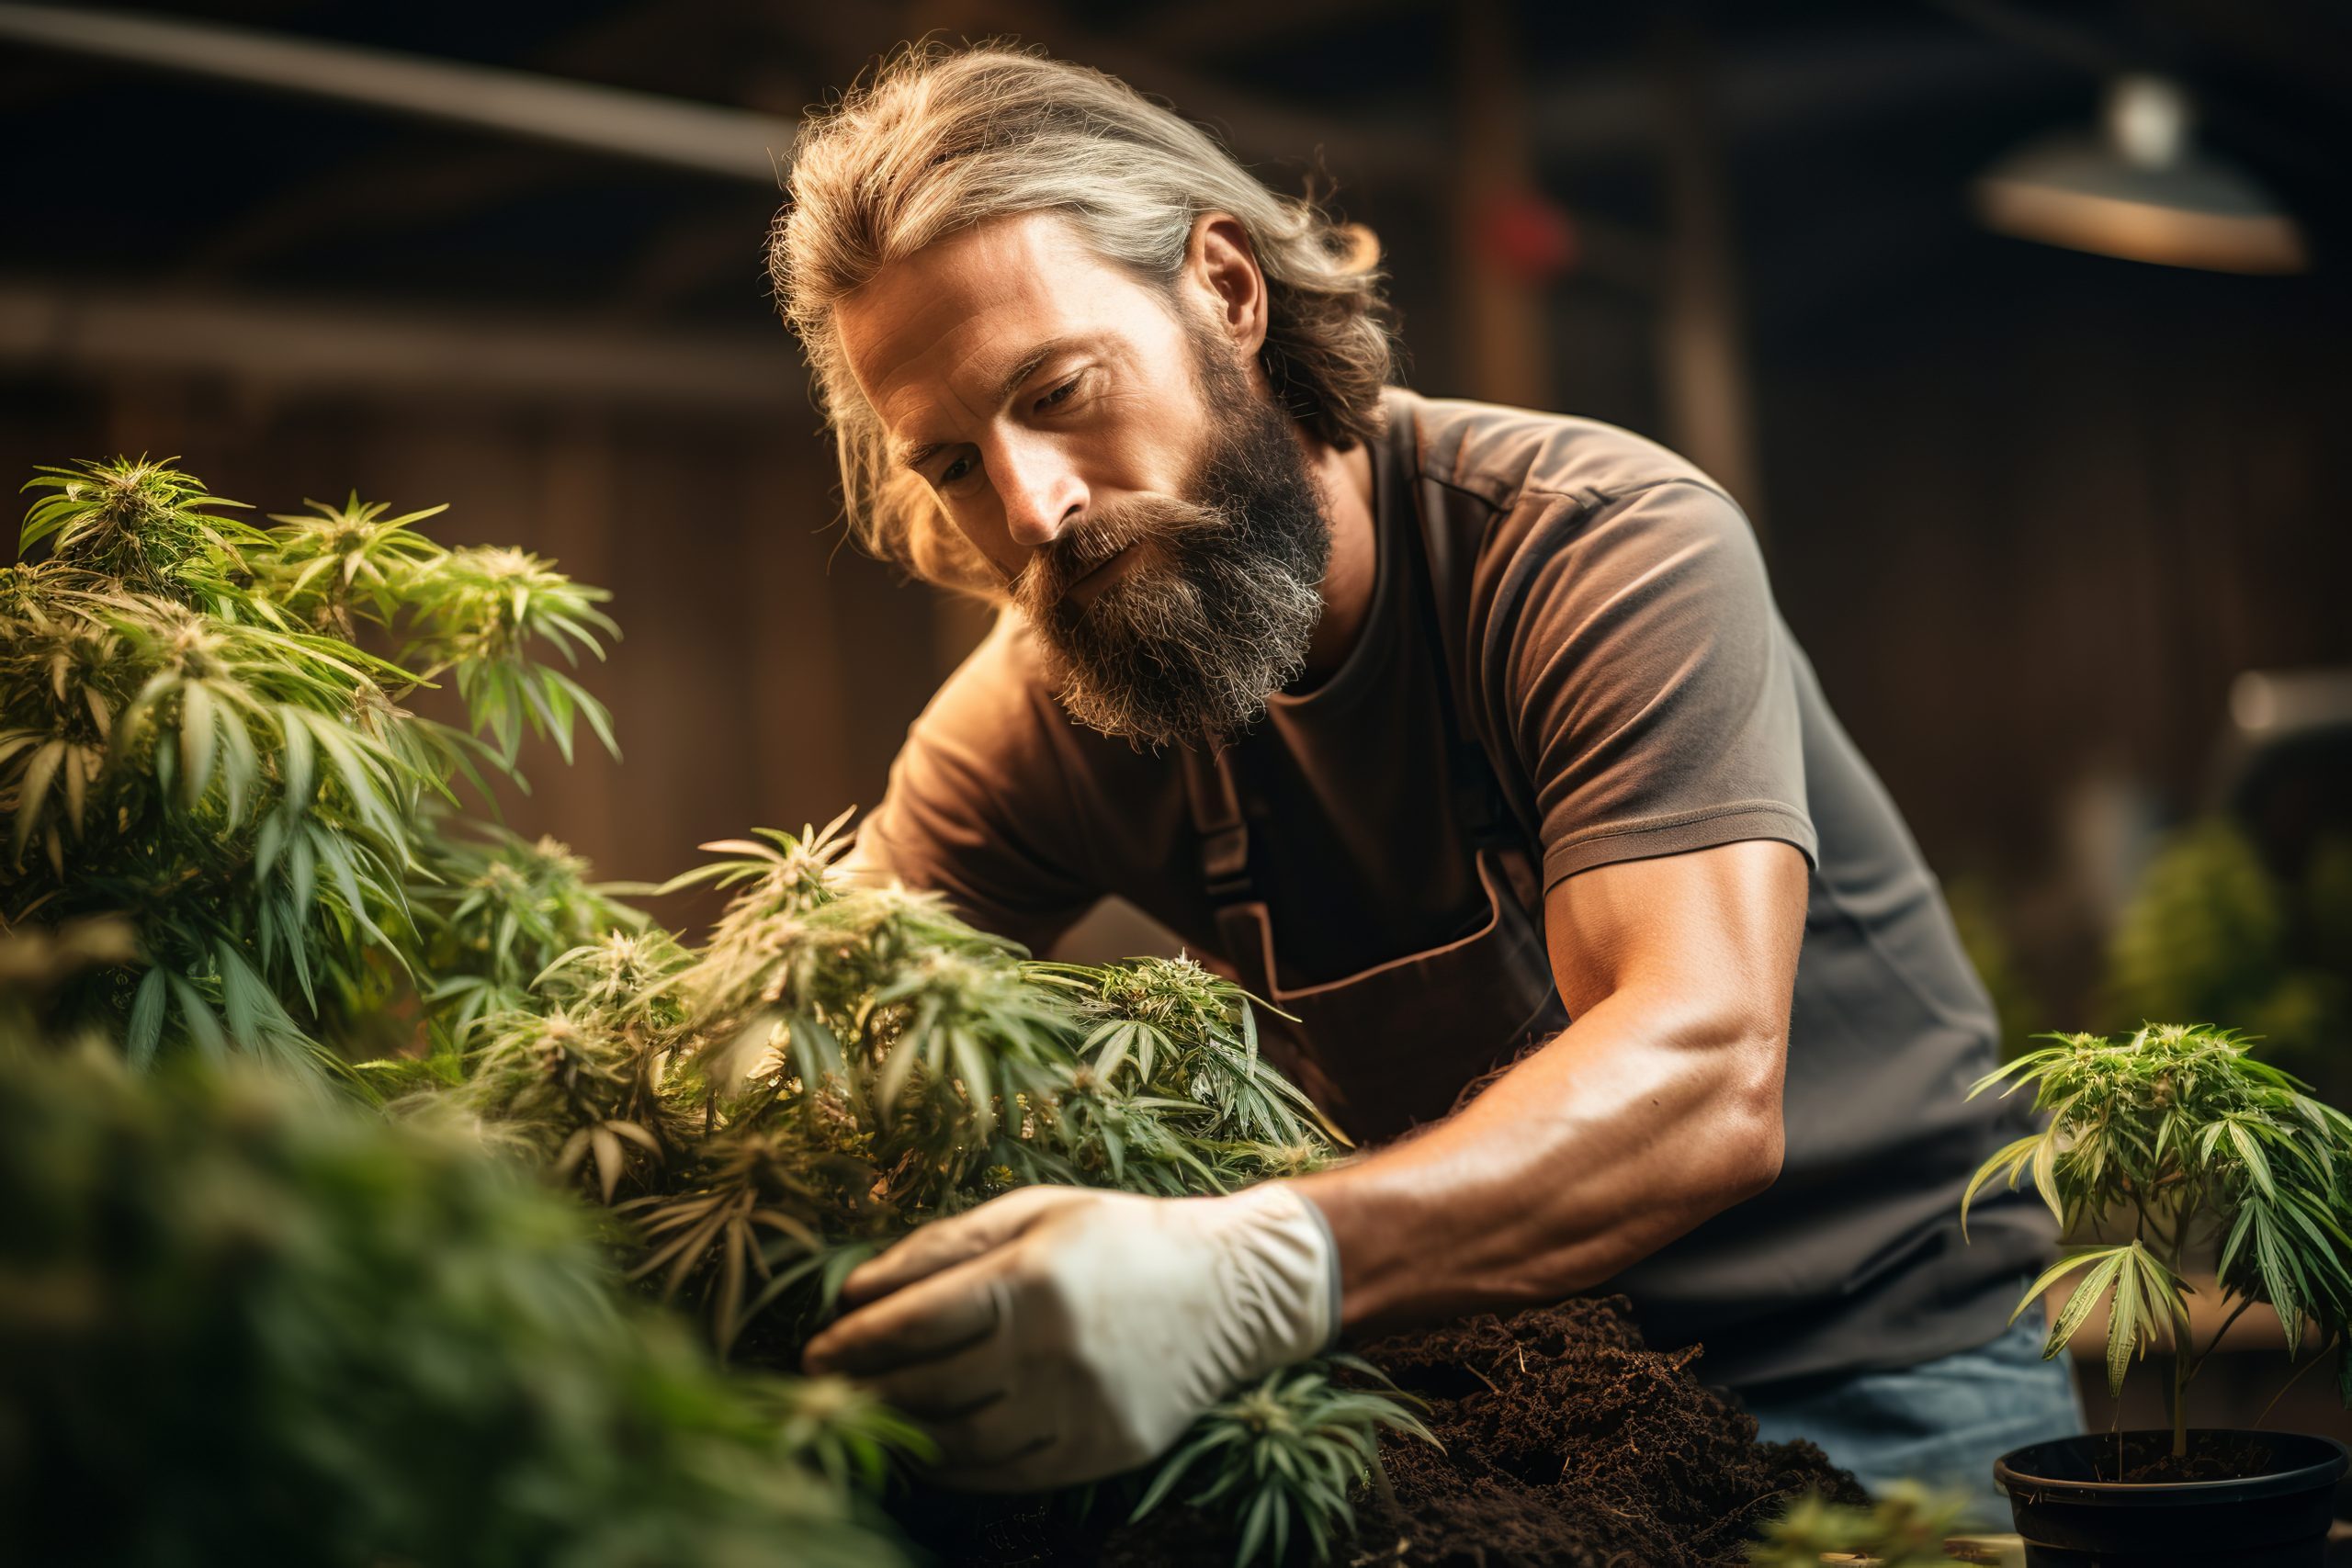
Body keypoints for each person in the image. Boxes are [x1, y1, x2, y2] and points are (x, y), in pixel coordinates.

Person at [771, 41, 2078, 1520]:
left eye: (1060, 389)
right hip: (1486, 1416)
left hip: (1871, 1372)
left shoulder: (1596, 548)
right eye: (951, 462)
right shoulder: (1036, 712)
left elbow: (1703, 1074)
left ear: (1227, 292)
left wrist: (1255, 1270)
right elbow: (789, 1057)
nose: (1032, 503)